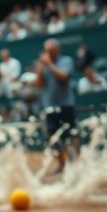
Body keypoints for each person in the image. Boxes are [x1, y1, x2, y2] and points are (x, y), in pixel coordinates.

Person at [35, 38, 76, 172]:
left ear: (57, 50)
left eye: (50, 50)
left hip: (66, 104)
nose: (47, 53)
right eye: (46, 50)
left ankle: (75, 163)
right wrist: (41, 67)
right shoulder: (43, 65)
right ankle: (61, 164)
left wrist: (49, 64)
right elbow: (39, 83)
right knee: (53, 137)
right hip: (49, 106)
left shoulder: (66, 61)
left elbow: (63, 77)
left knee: (70, 135)